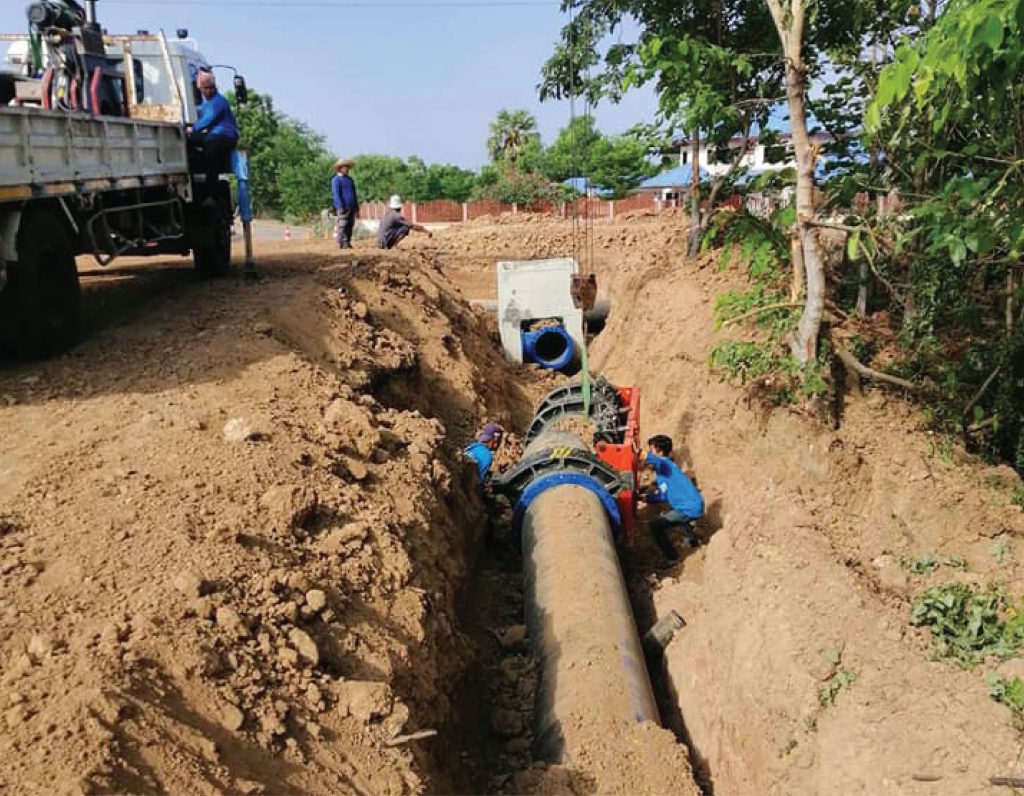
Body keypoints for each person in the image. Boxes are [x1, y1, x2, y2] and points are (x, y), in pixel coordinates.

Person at [640, 434, 704, 561]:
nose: (650, 452)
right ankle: (692, 544)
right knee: (677, 517)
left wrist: (638, 453)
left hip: (689, 508)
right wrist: (646, 498)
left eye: (651, 449)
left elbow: (656, 460)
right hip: (691, 506)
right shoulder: (663, 472)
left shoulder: (665, 464)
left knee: (655, 524)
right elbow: (663, 495)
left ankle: (672, 558)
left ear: (659, 451)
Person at [186, 71, 238, 199]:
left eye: (209, 88)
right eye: (205, 89)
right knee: (197, 141)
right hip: (216, 135)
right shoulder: (207, 103)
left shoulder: (218, 101)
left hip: (224, 136)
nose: (206, 91)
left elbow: (208, 119)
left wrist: (193, 129)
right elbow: (201, 113)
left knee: (209, 147)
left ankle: (211, 190)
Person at [331, 159, 360, 249]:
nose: (347, 169)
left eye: (347, 167)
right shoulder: (336, 180)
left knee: (350, 225)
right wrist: (340, 206)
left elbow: (354, 194)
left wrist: (356, 207)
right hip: (343, 206)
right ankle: (341, 243)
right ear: (340, 168)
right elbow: (336, 194)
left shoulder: (350, 180)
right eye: (345, 167)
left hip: (351, 206)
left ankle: (347, 242)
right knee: (342, 225)